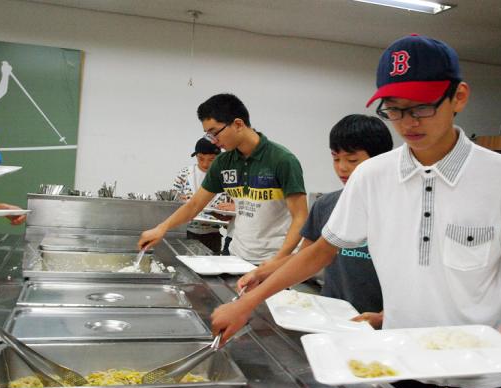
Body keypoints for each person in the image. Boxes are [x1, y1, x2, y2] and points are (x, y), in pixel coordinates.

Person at [211, 35, 501, 388]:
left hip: (485, 358)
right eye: (394, 109)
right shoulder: (373, 176)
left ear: (459, 97)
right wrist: (246, 304)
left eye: (421, 108)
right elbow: (321, 251)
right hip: (400, 351)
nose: (407, 123)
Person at [237, 114, 393, 327]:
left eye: (352, 160)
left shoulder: (400, 208)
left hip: (385, 327)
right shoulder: (326, 205)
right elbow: (306, 257)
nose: (342, 167)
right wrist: (261, 273)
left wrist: (385, 316)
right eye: (336, 158)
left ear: (381, 160)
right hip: (331, 316)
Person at [139, 93, 308, 265]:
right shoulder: (223, 162)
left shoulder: (282, 160)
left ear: (238, 124)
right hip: (237, 257)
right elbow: (194, 205)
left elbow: (300, 217)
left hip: (275, 260)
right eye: (208, 135)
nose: (214, 141)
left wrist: (278, 260)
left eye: (214, 133)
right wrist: (161, 228)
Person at [172, 137, 228, 254]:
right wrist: (178, 200)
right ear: (196, 156)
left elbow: (233, 205)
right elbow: (172, 198)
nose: (205, 164)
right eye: (201, 159)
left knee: (211, 263)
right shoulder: (185, 174)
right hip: (187, 232)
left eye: (211, 159)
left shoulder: (226, 177)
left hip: (213, 234)